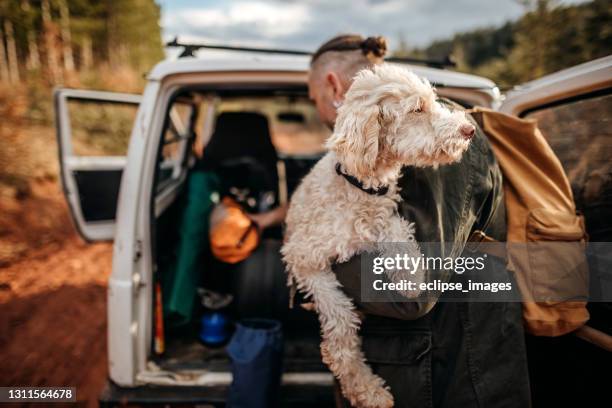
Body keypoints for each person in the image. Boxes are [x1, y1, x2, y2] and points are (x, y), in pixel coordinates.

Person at [307, 34, 531, 407]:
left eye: (313, 98)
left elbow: (409, 292)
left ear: (332, 86)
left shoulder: (430, 138)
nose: (319, 112)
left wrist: (314, 266)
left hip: (448, 377)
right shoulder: (387, 141)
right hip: (414, 367)